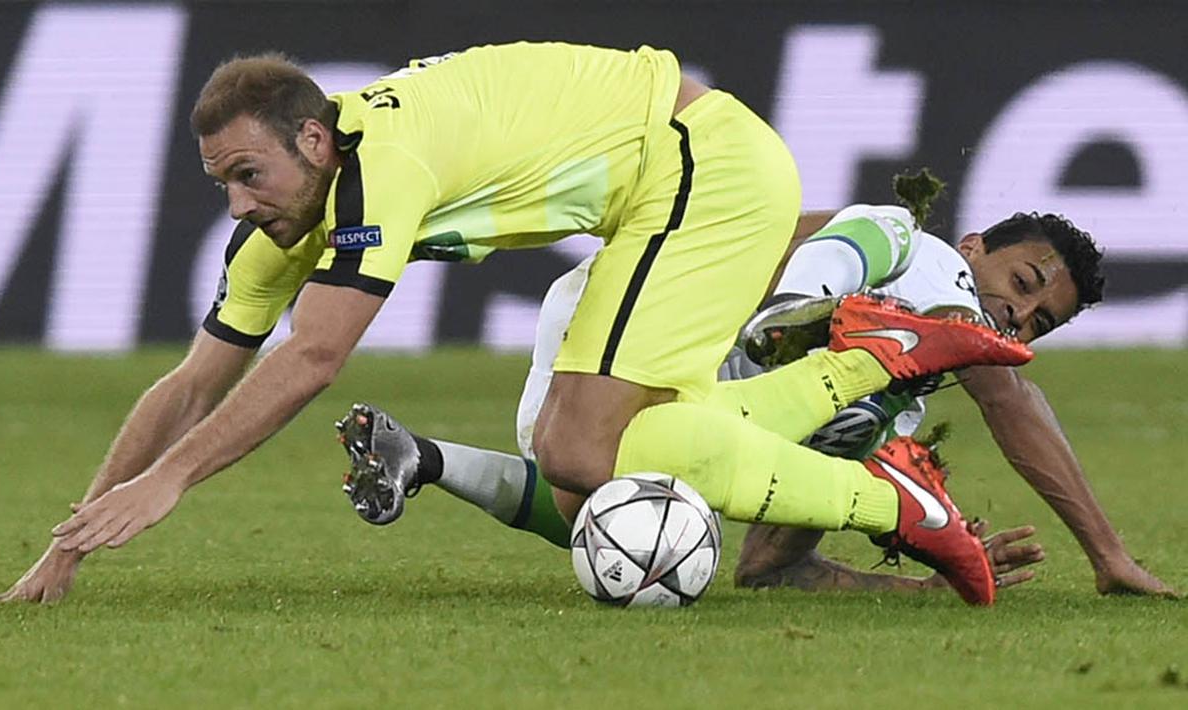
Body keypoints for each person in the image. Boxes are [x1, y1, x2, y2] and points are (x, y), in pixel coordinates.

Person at [0, 42, 1026, 606]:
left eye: (248, 175)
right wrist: (72, 542)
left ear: (313, 137)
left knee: (583, 441)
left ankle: (891, 500)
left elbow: (312, 357)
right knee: (589, 483)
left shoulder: (380, 166)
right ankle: (876, 362)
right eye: (220, 184)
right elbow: (191, 381)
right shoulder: (286, 218)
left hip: (698, 164)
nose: (238, 205)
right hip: (657, 186)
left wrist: (169, 481)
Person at [385, 201, 1172, 597]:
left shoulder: (885, 412)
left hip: (691, 393)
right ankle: (792, 316)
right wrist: (1106, 554)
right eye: (1022, 285)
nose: (1017, 314)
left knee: (616, 515)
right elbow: (1006, 395)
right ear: (976, 249)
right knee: (888, 251)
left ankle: (423, 458)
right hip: (635, 318)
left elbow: (768, 571)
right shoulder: (930, 262)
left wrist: (922, 587)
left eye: (1040, 320)